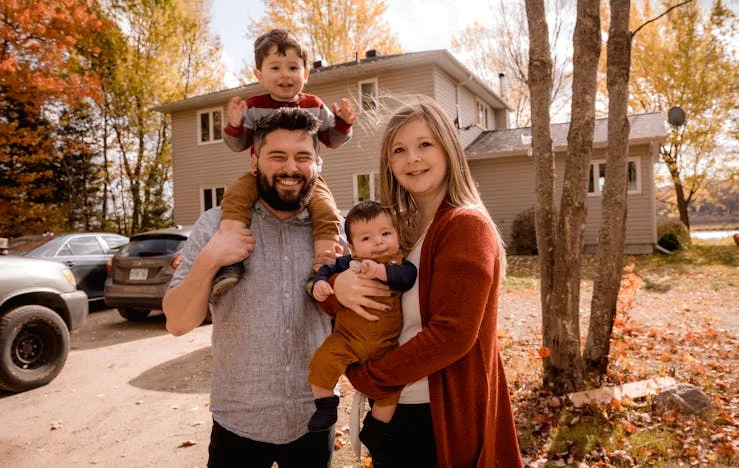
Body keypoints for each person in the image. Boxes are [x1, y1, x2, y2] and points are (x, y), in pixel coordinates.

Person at [321, 97, 524, 467]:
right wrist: (337, 286)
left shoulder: (465, 225)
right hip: (398, 412)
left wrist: (369, 378)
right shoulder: (396, 230)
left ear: (448, 149)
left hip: (435, 418)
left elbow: (452, 335)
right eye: (399, 149)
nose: (412, 158)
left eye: (424, 145)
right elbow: (344, 272)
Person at [162, 108, 343, 467]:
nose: (291, 168)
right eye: (278, 156)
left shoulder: (334, 235)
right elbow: (177, 323)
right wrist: (210, 259)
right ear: (255, 159)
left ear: (317, 164)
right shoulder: (216, 225)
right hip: (238, 424)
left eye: (302, 157)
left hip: (314, 422)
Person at [213, 28, 356, 295]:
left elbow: (331, 140)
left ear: (306, 73)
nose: (285, 75)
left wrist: (344, 124)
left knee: (326, 210)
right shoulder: (254, 107)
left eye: (293, 67)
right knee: (235, 197)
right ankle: (229, 261)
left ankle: (323, 269)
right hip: (261, 176)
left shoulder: (314, 104)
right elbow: (239, 144)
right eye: (275, 67)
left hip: (309, 180)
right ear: (259, 74)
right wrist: (235, 125)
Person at [307, 200, 417, 435]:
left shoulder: (399, 263)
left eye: (386, 233)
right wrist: (320, 284)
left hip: (386, 346)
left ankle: (375, 427)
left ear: (397, 235)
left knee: (391, 391)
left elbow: (408, 277)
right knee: (321, 362)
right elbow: (327, 269)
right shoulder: (349, 262)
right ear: (352, 247)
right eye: (366, 238)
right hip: (347, 338)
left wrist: (381, 271)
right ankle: (326, 405)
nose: (379, 242)